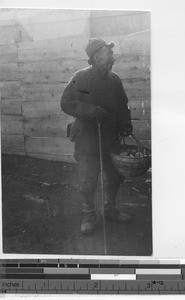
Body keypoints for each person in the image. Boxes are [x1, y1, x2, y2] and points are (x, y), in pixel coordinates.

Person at [60, 37, 133, 235]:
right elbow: (66, 102)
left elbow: (122, 105)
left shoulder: (114, 79)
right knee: (88, 180)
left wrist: (126, 124)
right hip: (86, 139)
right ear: (96, 56)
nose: (112, 56)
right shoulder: (80, 77)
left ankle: (110, 210)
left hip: (110, 138)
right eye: (108, 52)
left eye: (111, 53)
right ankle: (89, 214)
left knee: (115, 176)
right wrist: (90, 110)